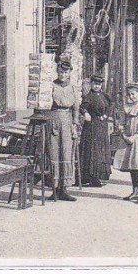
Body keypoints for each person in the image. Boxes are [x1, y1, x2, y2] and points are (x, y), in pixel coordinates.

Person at [48, 59, 80, 202]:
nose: (63, 74)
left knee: (67, 154)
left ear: (69, 73)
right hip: (54, 120)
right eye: (61, 71)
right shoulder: (52, 86)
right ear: (57, 72)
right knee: (54, 153)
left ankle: (64, 189)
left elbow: (76, 108)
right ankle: (54, 190)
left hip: (67, 122)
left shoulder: (73, 88)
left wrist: (75, 124)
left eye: (65, 72)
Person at [78, 72, 112, 188]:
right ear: (91, 84)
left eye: (99, 84)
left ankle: (99, 175)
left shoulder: (104, 96)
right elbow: (82, 108)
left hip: (102, 127)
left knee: (101, 151)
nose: (97, 86)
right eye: (95, 84)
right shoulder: (89, 96)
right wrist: (86, 113)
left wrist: (106, 116)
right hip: (92, 127)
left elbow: (110, 106)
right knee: (93, 151)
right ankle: (91, 177)